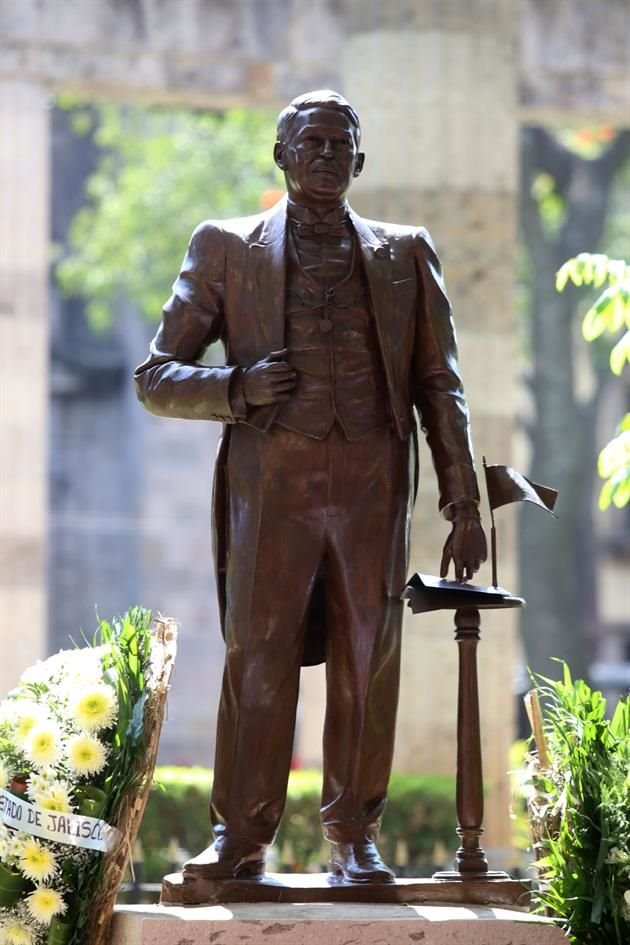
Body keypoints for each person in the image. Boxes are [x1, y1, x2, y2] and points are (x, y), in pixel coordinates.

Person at [135, 90, 487, 886]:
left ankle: (352, 835)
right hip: (274, 484)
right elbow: (154, 377)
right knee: (257, 657)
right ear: (282, 156)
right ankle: (240, 838)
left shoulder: (406, 252)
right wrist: (237, 385)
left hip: (373, 480)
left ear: (360, 160)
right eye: (311, 142)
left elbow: (442, 384)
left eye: (341, 144)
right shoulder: (225, 247)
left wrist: (463, 503)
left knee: (370, 654)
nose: (326, 155)